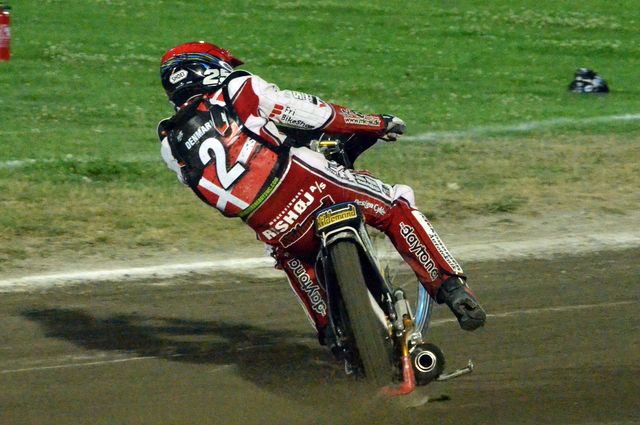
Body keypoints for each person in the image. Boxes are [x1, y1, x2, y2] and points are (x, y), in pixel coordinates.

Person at [157, 41, 486, 348]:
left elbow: (206, 187)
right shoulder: (238, 87)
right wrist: (376, 124)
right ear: (209, 68)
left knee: (288, 256)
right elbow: (315, 114)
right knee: (394, 205)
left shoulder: (170, 144)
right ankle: (453, 288)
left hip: (268, 221)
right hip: (309, 183)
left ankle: (332, 332)